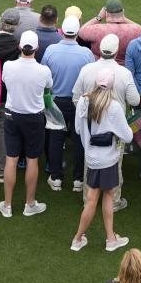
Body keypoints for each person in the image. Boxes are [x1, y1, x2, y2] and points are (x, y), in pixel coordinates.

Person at [70, 68, 133, 252]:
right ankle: (100, 239)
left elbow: (78, 129)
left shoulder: (83, 100)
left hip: (91, 157)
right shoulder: (114, 107)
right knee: (106, 196)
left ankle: (84, 238)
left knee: (92, 198)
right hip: (108, 159)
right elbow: (128, 136)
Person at [0, 30, 53, 218]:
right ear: (36, 48)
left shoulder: (9, 66)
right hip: (33, 118)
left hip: (13, 116)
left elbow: (6, 82)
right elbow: (48, 86)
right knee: (31, 160)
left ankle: (8, 205)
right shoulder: (43, 71)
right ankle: (29, 204)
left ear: (20, 47)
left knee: (12, 159)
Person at [42, 16, 94, 192]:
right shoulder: (86, 54)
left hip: (57, 101)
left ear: (62, 31)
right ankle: (78, 179)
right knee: (79, 139)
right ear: (77, 33)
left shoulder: (51, 51)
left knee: (56, 139)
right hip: (78, 102)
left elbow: (44, 76)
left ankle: (56, 177)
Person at [78, 0, 141, 64]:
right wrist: (123, 18)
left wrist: (99, 17)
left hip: (100, 69)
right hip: (124, 69)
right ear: (123, 12)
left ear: (106, 13)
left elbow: (81, 31)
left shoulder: (97, 29)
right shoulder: (134, 30)